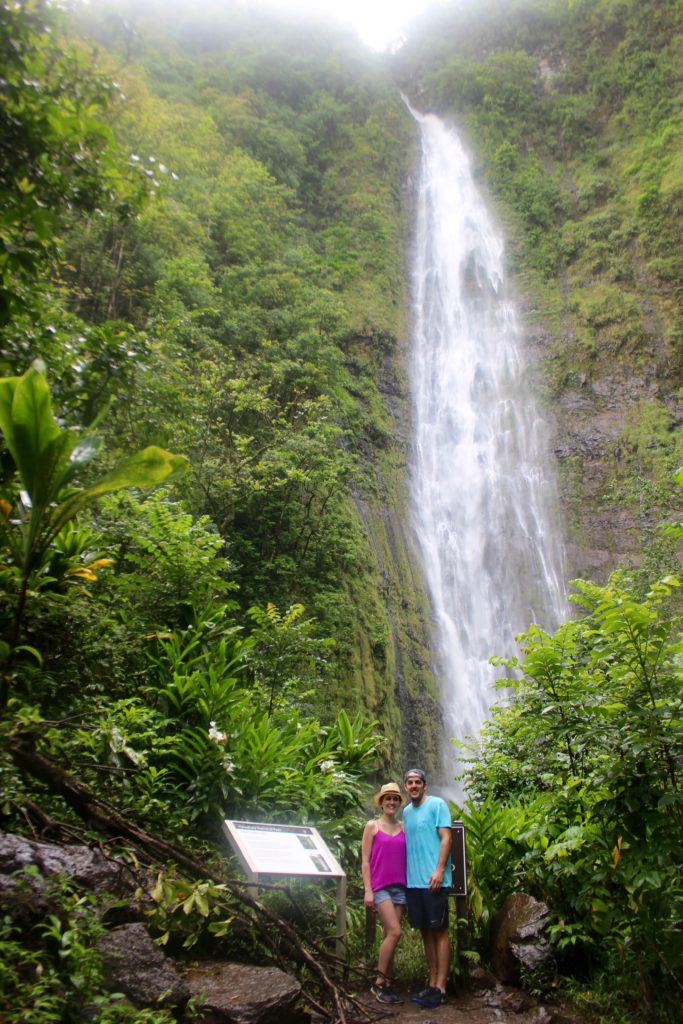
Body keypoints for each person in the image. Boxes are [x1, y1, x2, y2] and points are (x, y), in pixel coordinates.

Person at [402, 767, 452, 1009]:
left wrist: (440, 869)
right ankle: (431, 982)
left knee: (440, 932)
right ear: (405, 787)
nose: (414, 786)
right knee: (425, 933)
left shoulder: (438, 805)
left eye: (417, 782)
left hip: (434, 881)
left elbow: (446, 837)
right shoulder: (406, 812)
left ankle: (441, 987)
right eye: (410, 782)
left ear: (425, 785)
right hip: (414, 882)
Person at [361, 782, 407, 1005]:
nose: (391, 802)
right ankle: (378, 983)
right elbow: (365, 861)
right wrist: (368, 890)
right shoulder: (372, 826)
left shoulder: (404, 827)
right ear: (381, 803)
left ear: (399, 803)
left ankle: (387, 982)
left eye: (395, 799)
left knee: (389, 935)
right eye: (387, 799)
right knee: (396, 932)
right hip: (381, 888)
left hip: (401, 887)